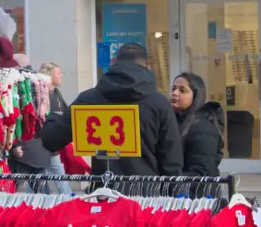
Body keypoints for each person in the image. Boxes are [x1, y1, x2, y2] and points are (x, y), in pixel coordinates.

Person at [40, 44, 183, 177]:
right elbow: (171, 158)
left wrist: (49, 113)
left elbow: (52, 139)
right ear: (148, 67)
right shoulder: (160, 104)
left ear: (114, 64)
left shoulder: (89, 99)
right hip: (146, 194)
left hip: (104, 193)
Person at [170, 71, 225, 177]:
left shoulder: (203, 128)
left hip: (193, 191)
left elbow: (201, 173)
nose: (175, 93)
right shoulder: (174, 120)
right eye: (173, 88)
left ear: (196, 95)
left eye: (182, 90)